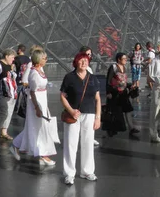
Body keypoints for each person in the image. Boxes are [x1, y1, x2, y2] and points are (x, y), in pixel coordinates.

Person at [60, 52, 101, 185]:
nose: (84, 62)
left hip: (89, 114)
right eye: (81, 60)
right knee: (71, 144)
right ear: (75, 62)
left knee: (88, 143)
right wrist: (71, 111)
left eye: (86, 60)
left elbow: (98, 99)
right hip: (74, 115)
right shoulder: (69, 77)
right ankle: (69, 173)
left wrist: (98, 117)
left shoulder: (93, 78)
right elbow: (62, 96)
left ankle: (87, 171)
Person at [10, 49, 55, 165]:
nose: (46, 60)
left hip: (41, 100)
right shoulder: (34, 73)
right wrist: (37, 108)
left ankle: (22, 147)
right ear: (39, 60)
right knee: (38, 127)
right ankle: (42, 154)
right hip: (36, 102)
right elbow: (33, 92)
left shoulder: (38, 70)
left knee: (36, 127)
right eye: (44, 58)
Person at [103, 52, 139, 137]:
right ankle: (111, 128)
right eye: (124, 59)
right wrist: (108, 92)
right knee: (114, 111)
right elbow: (108, 81)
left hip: (123, 93)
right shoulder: (113, 67)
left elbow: (124, 81)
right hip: (114, 93)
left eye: (126, 59)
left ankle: (131, 128)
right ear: (118, 59)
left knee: (128, 110)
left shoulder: (124, 67)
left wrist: (130, 85)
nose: (126, 60)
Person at [0, 49, 17, 140]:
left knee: (7, 113)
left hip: (9, 93)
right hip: (1, 93)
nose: (13, 59)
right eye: (12, 57)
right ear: (6, 56)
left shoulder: (9, 66)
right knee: (4, 112)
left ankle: (1, 131)